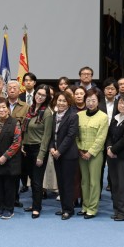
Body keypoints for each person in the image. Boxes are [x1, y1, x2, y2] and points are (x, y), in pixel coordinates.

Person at [0, 97, 22, 219]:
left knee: (9, 186)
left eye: (3, 107)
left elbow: (17, 142)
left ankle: (9, 209)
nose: (1, 110)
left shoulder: (15, 122)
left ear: (8, 109)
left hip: (10, 161)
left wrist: (5, 157)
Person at [76, 89, 109, 219]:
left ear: (98, 102)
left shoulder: (103, 117)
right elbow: (76, 135)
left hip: (95, 154)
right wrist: (79, 149)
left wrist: (90, 152)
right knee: (84, 181)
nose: (90, 103)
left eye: (93, 100)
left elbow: (101, 138)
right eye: (88, 100)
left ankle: (92, 208)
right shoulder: (80, 115)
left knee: (94, 182)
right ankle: (85, 206)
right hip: (81, 153)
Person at [21, 85, 53, 218]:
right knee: (31, 179)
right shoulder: (31, 109)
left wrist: (41, 155)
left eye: (43, 95)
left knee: (37, 180)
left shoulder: (47, 113)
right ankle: (35, 203)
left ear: (47, 98)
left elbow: (47, 136)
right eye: (38, 94)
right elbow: (26, 129)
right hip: (27, 149)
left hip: (38, 149)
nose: (39, 97)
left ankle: (37, 208)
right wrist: (22, 144)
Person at [49, 91, 79, 220]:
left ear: (68, 103)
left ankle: (68, 209)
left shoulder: (73, 115)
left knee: (67, 183)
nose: (61, 103)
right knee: (60, 182)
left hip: (68, 155)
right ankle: (63, 207)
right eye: (59, 100)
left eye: (63, 101)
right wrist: (51, 148)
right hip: (56, 154)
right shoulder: (54, 115)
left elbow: (70, 136)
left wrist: (59, 151)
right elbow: (51, 134)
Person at [5, 80, 29, 204]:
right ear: (6, 90)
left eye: (15, 88)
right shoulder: (1, 104)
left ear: (20, 90)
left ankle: (15, 198)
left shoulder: (25, 107)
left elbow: (27, 128)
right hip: (2, 145)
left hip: (18, 146)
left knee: (15, 174)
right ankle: (4, 198)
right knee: (3, 173)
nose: (12, 90)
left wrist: (23, 144)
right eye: (10, 88)